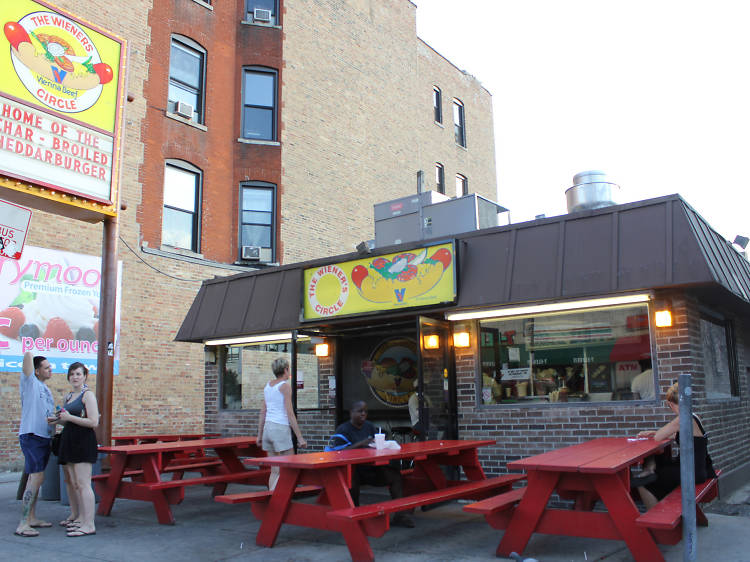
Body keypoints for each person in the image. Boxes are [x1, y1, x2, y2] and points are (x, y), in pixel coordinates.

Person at [330, 400, 414, 528]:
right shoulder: (343, 430)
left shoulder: (369, 426)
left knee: (395, 476)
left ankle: (400, 515)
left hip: (370, 468)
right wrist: (361, 443)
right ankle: (356, 517)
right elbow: (338, 452)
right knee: (351, 482)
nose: (363, 414)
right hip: (353, 470)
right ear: (351, 412)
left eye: (365, 411)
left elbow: (376, 443)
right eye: (360, 411)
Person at [632, 382, 716, 509]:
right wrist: (653, 432)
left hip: (693, 473)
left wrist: (656, 434)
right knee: (659, 467)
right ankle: (650, 471)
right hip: (701, 469)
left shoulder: (682, 418)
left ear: (670, 404)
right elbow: (674, 435)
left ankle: (657, 519)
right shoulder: (693, 417)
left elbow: (658, 437)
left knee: (644, 483)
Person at [56, 362, 100, 537]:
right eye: (72, 374)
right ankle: (81, 519)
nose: (75, 377)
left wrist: (69, 418)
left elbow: (93, 422)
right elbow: (67, 420)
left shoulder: (87, 395)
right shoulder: (68, 397)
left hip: (83, 441)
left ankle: (89, 524)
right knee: (75, 484)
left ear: (85, 377)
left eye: (78, 374)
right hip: (69, 441)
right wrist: (57, 420)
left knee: (83, 484)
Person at [15, 352, 55, 537]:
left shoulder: (46, 389)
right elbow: (27, 360)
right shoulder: (30, 382)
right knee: (37, 478)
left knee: (36, 478)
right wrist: (31, 347)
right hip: (31, 436)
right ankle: (22, 523)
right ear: (37, 371)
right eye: (46, 367)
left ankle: (31, 518)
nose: (50, 369)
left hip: (44, 437)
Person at [257, 358, 307, 490]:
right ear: (285, 370)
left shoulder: (268, 386)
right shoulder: (284, 386)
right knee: (290, 466)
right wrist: (300, 437)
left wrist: (259, 435)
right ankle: (280, 500)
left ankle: (272, 498)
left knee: (275, 470)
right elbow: (290, 413)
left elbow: (263, 412)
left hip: (268, 428)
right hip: (280, 428)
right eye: (288, 369)